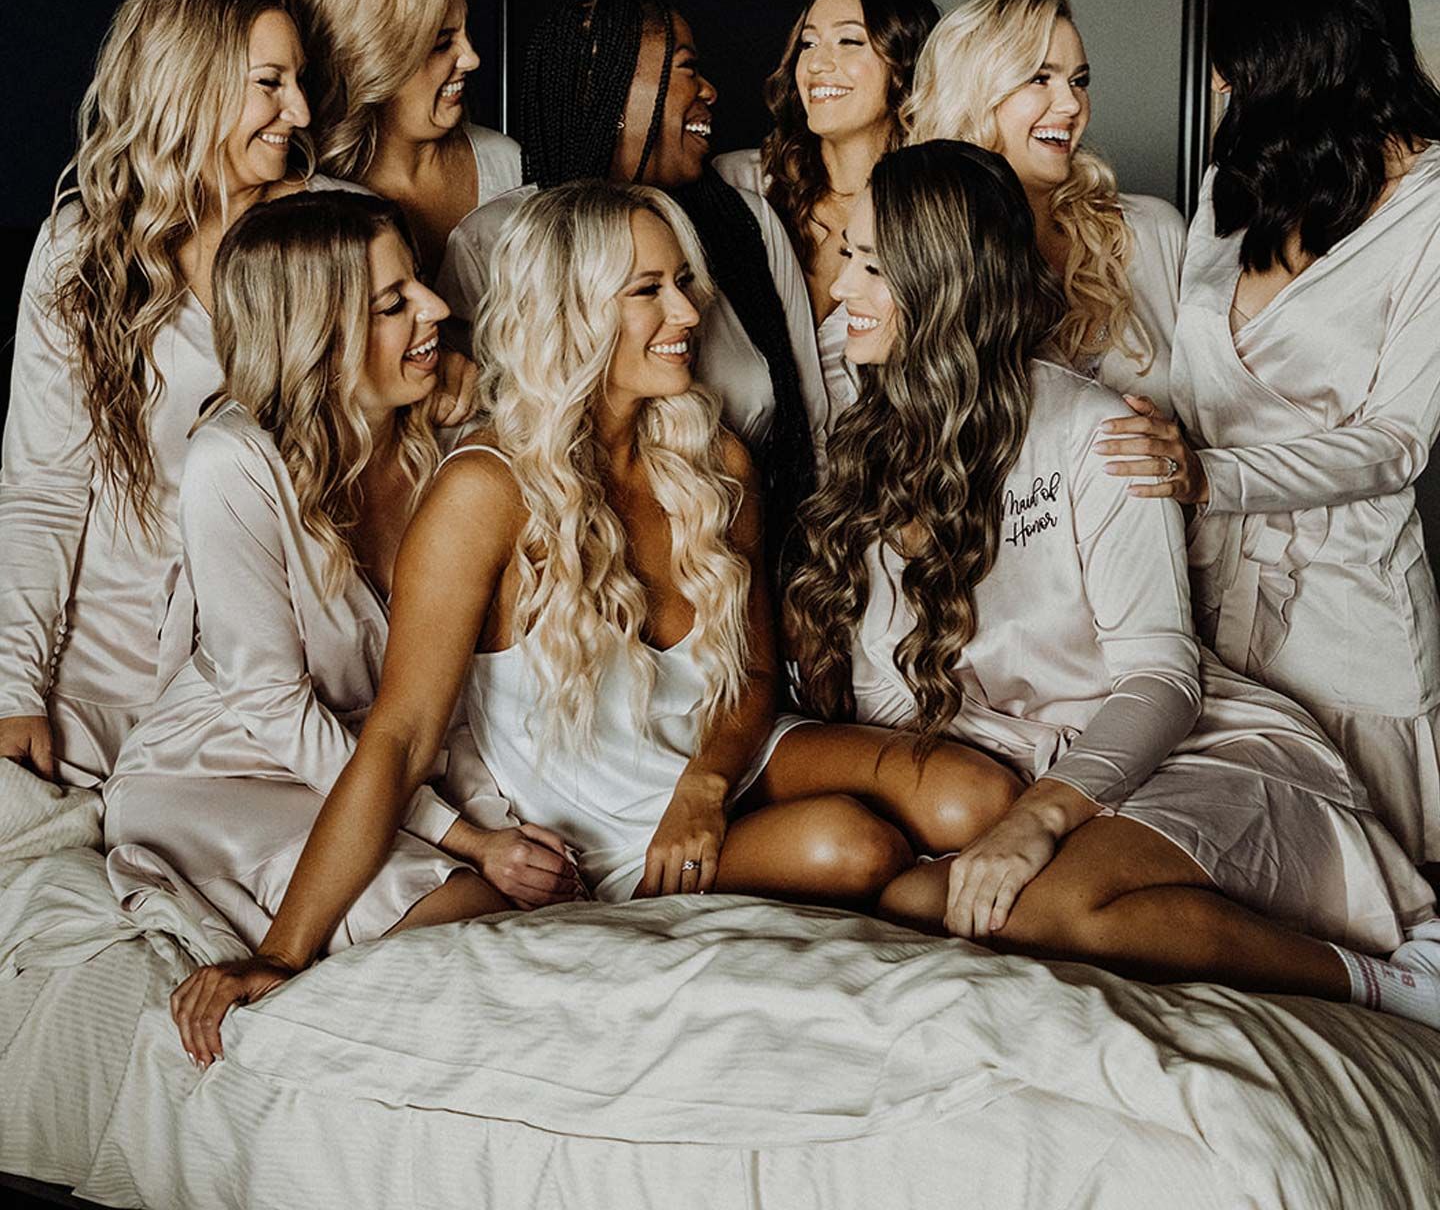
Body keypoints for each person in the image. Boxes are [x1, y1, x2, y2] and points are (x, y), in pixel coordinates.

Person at [170, 179, 1020, 1066]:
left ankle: (1062, 917)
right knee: (850, 844)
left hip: (719, 759)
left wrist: (704, 787)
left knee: (979, 795)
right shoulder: (483, 493)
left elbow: (758, 678)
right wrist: (280, 952)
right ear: (572, 312)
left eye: (682, 281)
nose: (688, 309)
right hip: (603, 818)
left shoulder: (714, 456)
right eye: (647, 290)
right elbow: (397, 740)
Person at [786, 138, 1440, 1029]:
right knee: (909, 906)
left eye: (869, 265)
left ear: (941, 280)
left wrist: (1038, 822)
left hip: (1186, 751)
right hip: (1025, 766)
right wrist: (976, 806)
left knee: (1043, 911)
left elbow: (1162, 680)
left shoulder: (1097, 435)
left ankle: (1394, 981)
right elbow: (888, 701)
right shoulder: (870, 449)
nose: (840, 291)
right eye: (844, 262)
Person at [107, 192, 577, 957]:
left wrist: (497, 818)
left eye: (417, 282)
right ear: (316, 336)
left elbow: (439, 690)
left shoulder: (444, 434)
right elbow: (271, 705)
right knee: (463, 905)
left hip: (384, 766)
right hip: (225, 775)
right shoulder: (233, 463)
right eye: (394, 303)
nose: (435, 307)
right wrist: (465, 837)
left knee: (543, 891)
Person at [0, 0, 393, 786]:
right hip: (94, 678)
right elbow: (42, 489)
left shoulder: (330, 230)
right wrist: (12, 687)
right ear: (192, 88)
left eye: (300, 82)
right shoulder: (79, 252)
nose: (299, 110)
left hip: (272, 682)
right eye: (270, 84)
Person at [1107, 0, 1440, 868]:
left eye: (1239, 55)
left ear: (1310, 51)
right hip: (1206, 599)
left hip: (1347, 619)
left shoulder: (1432, 209)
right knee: (1229, 876)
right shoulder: (1229, 184)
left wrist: (1210, 477)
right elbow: (1186, 374)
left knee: (1367, 890)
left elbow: (1396, 440)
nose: (1220, 80)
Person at [439, 0, 823, 563]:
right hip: (571, 572)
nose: (709, 90)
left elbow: (810, 425)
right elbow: (473, 433)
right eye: (687, 68)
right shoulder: (497, 242)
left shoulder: (749, 225)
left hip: (740, 565)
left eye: (684, 279)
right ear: (610, 95)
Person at [905, 0, 1185, 416]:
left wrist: (1185, 460)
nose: (1072, 104)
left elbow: (1217, 422)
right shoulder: (912, 250)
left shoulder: (1151, 231)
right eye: (1039, 77)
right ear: (974, 92)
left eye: (1079, 81)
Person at [714, 0, 939, 433]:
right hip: (748, 487)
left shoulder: (939, 209)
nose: (816, 64)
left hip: (885, 491)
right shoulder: (739, 185)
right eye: (808, 44)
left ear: (904, 62)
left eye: (849, 42)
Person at [292, 0, 523, 279]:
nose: (471, 58)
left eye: (465, 32)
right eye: (442, 43)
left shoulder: (510, 165)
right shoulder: (301, 193)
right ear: (368, 57)